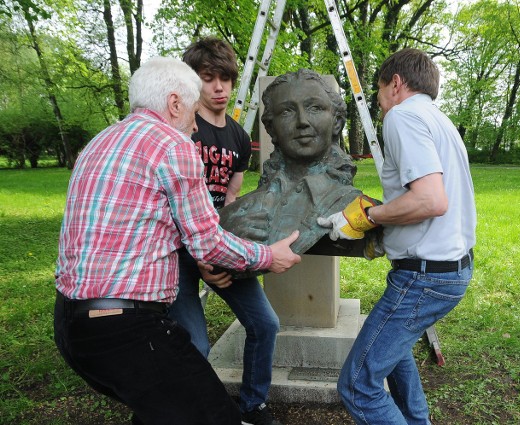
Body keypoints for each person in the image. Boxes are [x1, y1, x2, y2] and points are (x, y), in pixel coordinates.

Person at [53, 56, 301, 425]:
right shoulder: (173, 145)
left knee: (161, 411)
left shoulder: (98, 141)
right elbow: (208, 244)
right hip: (126, 328)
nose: (194, 124)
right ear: (174, 103)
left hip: (70, 322)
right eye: (192, 109)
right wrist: (269, 256)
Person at [318, 48, 477, 425]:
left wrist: (366, 217)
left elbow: (430, 199)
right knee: (395, 352)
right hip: (449, 269)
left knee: (357, 385)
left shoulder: (403, 116)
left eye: (378, 93)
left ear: (396, 83)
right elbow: (431, 195)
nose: (379, 103)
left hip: (425, 277)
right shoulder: (439, 120)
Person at [169, 36, 283, 425]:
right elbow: (168, 204)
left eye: (225, 79)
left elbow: (230, 200)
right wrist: (201, 257)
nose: (218, 87)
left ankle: (252, 405)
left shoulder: (237, 137)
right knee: (195, 345)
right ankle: (178, 412)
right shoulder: (180, 127)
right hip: (175, 252)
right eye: (207, 78)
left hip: (217, 246)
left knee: (266, 324)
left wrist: (227, 252)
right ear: (192, 81)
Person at [219, 68, 374, 260]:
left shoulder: (358, 206)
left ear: (337, 122)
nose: (302, 121)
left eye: (315, 108)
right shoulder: (241, 212)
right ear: (271, 129)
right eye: (286, 111)